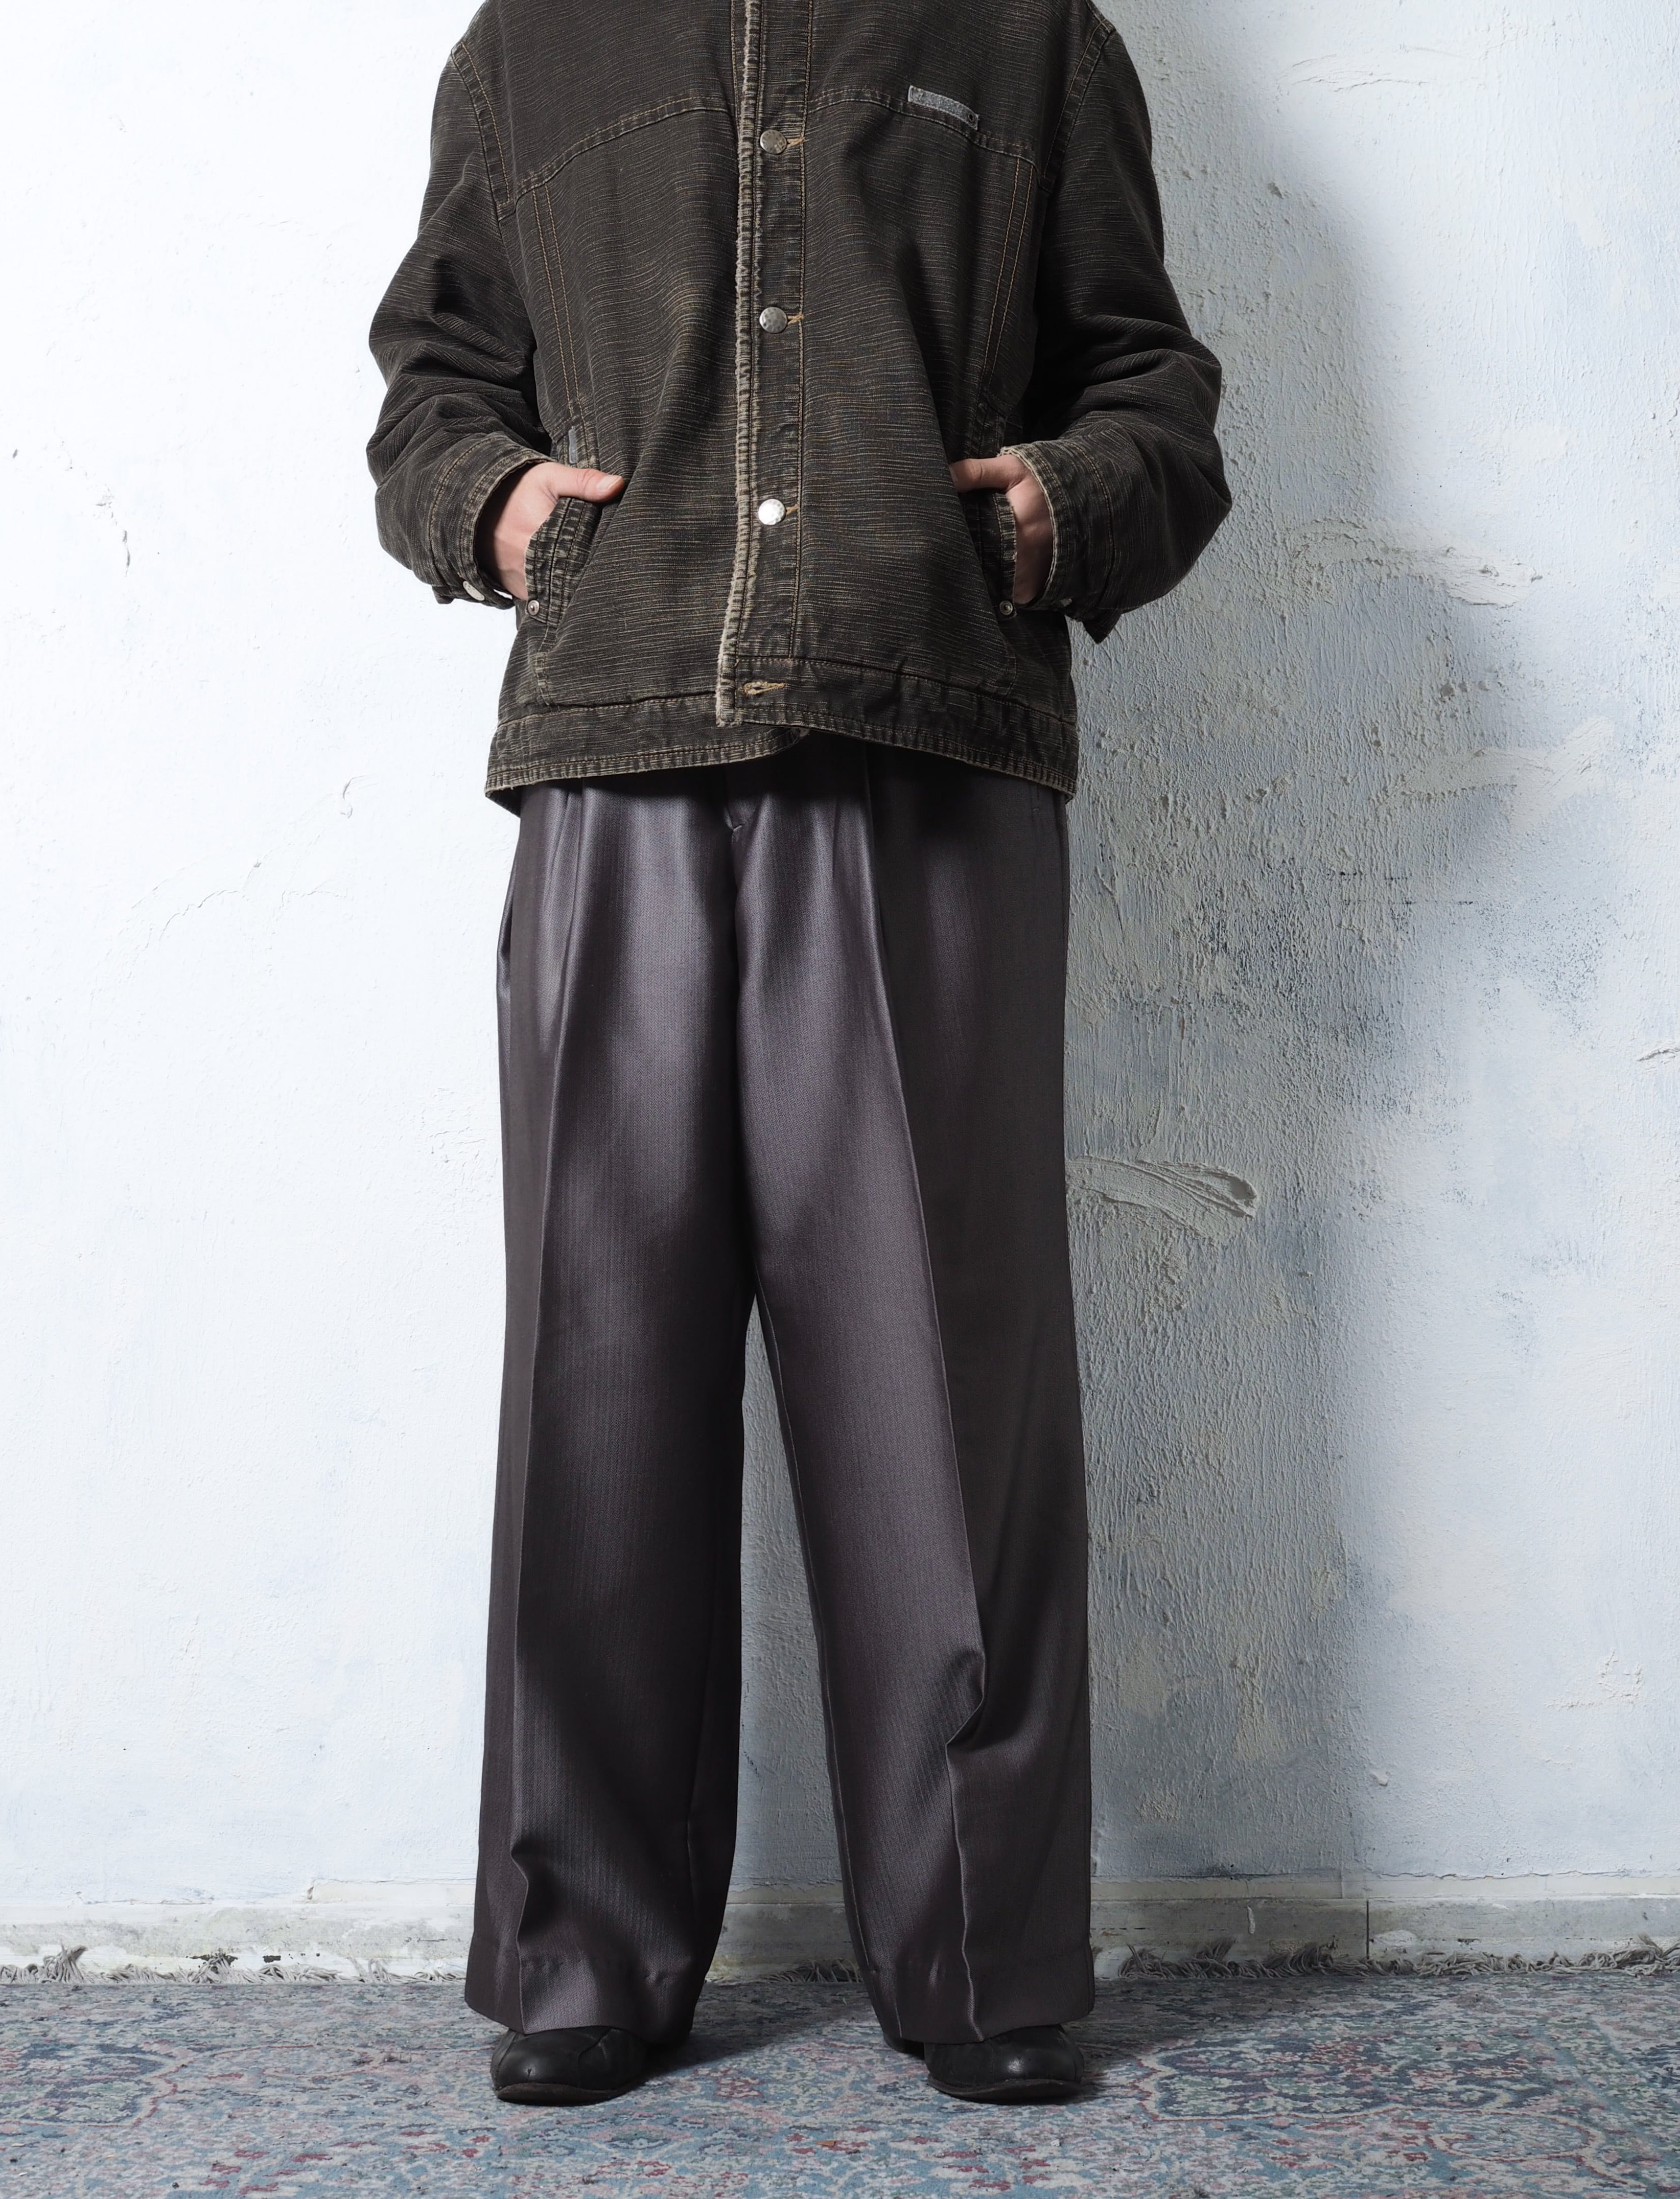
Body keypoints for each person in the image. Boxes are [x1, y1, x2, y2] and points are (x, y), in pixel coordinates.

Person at [368, 0, 1229, 2108]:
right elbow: (433, 386)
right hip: (616, 757)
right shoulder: (530, 45)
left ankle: (983, 1954)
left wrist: (1056, 505)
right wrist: (493, 506)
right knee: (598, 1372)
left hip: (927, 750)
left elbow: (1152, 388)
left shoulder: (1028, 35)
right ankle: (584, 1954)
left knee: (946, 1384)